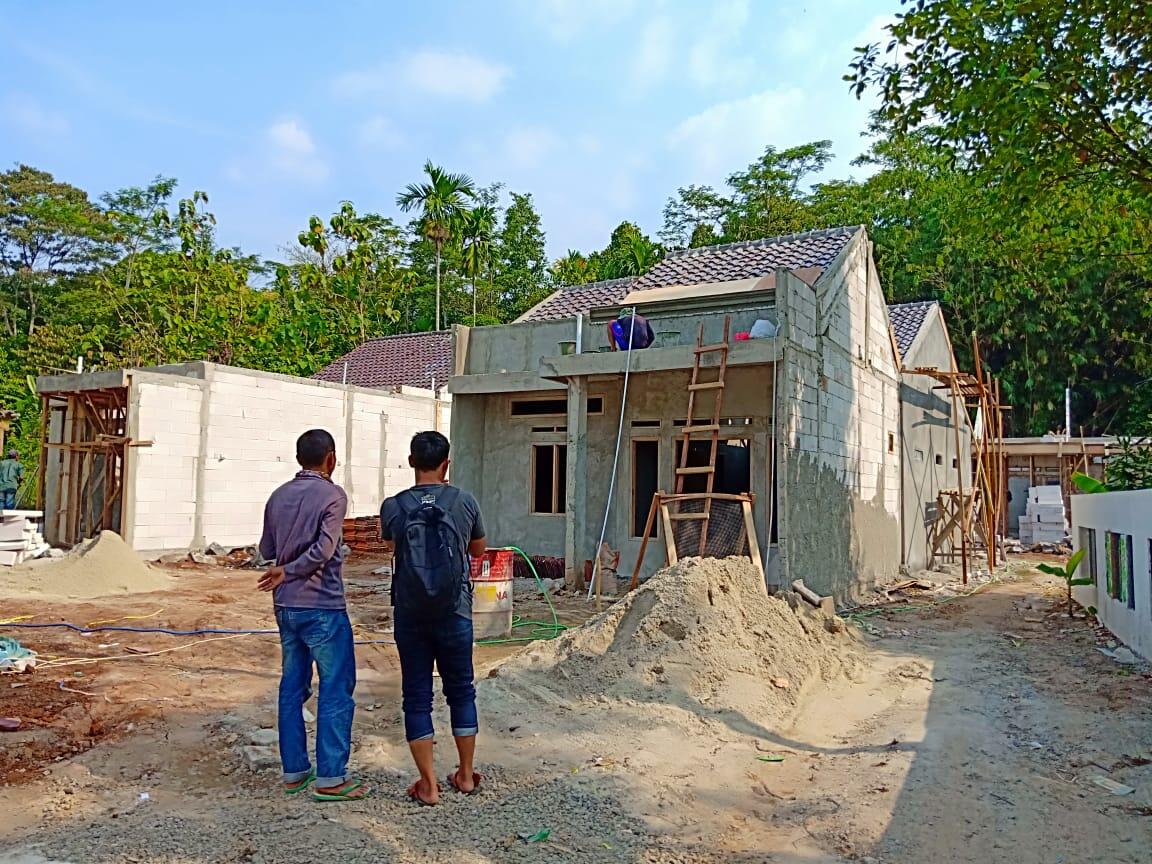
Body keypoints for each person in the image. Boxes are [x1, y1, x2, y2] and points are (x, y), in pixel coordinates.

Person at [257, 429, 367, 801]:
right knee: (335, 688)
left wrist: (284, 567)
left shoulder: (278, 495)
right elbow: (324, 550)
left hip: (285, 606)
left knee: (292, 687)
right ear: (331, 459)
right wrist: (292, 569)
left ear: (298, 458)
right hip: (323, 605)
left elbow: (267, 549)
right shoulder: (333, 496)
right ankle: (331, 778)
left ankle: (294, 771)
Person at [381, 431, 486, 806]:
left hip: (410, 615)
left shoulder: (393, 506)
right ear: (447, 464)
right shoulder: (464, 502)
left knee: (416, 697)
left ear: (411, 462)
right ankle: (465, 775)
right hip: (454, 611)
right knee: (461, 690)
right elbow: (478, 550)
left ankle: (428, 785)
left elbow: (393, 547)